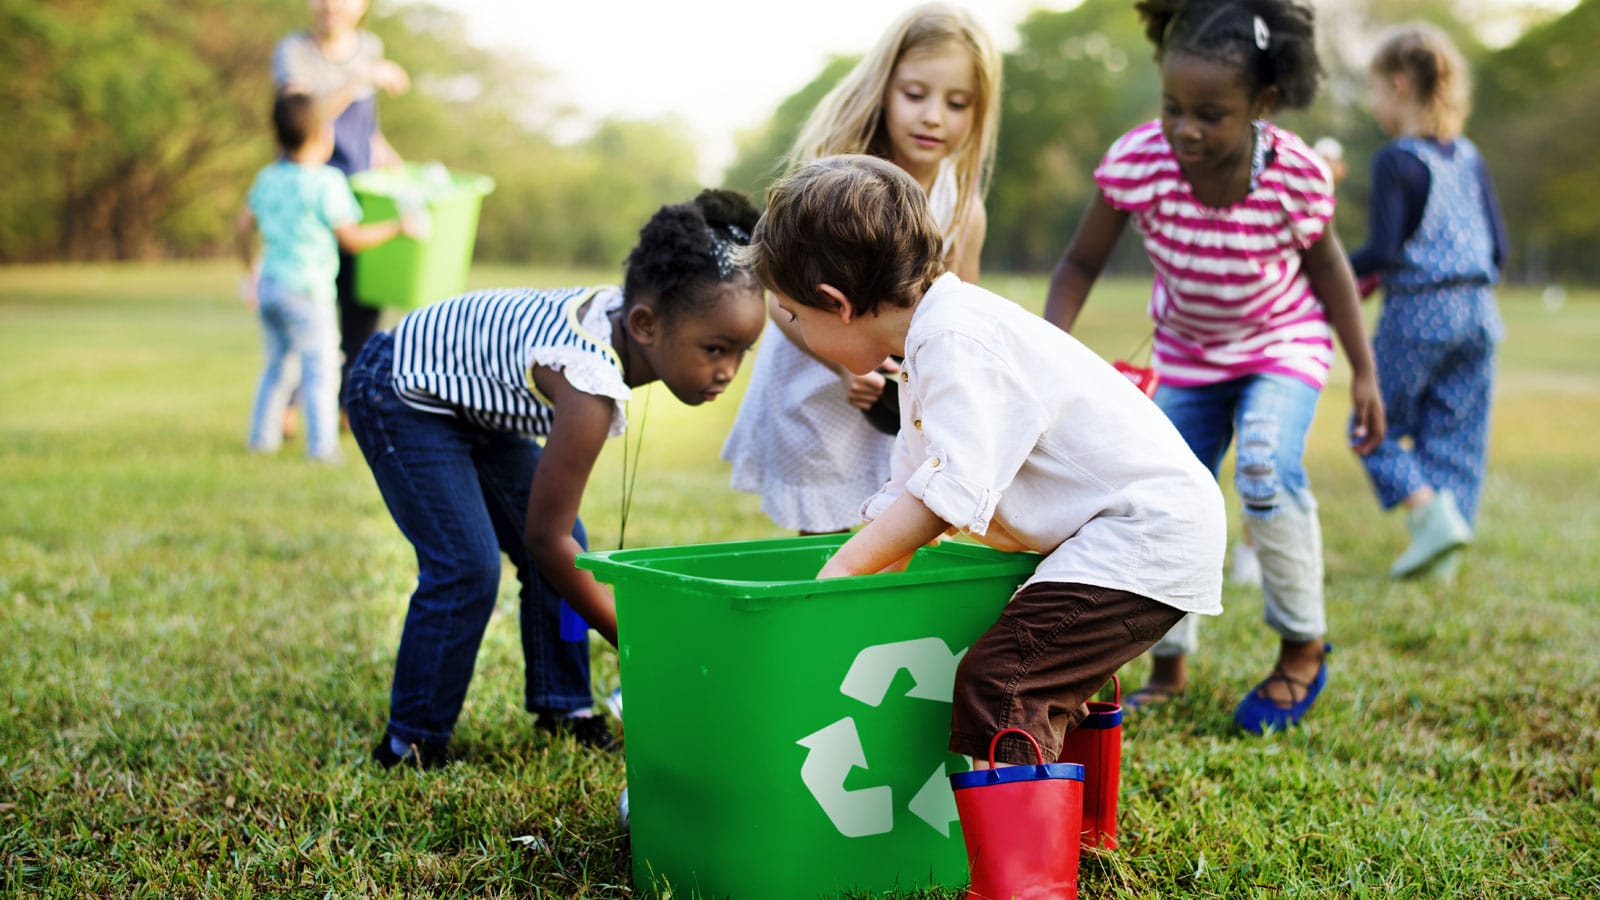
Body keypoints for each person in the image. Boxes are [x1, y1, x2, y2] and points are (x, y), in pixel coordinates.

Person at [745, 152, 1224, 777]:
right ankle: (1074, 832)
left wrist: (840, 571)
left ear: (835, 302)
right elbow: (908, 496)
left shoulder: (955, 341)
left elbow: (946, 497)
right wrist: (851, 596)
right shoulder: (931, 343)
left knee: (1004, 683)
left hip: (1143, 531)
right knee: (1036, 681)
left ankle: (1024, 875)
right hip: (1122, 533)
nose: (796, 331)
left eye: (792, 315)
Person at [1042, 0, 1386, 734]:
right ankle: (1169, 666)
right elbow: (1078, 264)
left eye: (1211, 113)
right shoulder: (1140, 162)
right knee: (1162, 498)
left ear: (1262, 104)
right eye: (1172, 107)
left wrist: (1363, 372)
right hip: (1189, 356)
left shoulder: (1292, 174)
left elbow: (1329, 274)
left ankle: (1301, 648)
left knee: (1263, 468)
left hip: (1281, 343)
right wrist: (1047, 357)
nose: (1186, 129)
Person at [347, 190, 767, 769]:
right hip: (400, 390)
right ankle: (411, 741)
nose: (727, 371)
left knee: (576, 547)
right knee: (467, 566)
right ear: (644, 324)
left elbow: (557, 540)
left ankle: (564, 706)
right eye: (715, 349)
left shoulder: (631, 317)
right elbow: (545, 541)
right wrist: (633, 636)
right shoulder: (588, 383)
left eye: (743, 351)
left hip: (473, 408)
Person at [721, 2, 1001, 534]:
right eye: (915, 94)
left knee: (898, 528)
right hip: (817, 384)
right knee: (826, 538)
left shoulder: (962, 207)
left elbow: (960, 320)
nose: (933, 116)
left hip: (898, 400)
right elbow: (781, 296)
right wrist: (846, 366)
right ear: (883, 88)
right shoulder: (833, 183)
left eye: (958, 102)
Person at [1349, 23, 1506, 581]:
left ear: (1396, 85)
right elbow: (1501, 247)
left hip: (1420, 312)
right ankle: (1442, 557)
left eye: (1372, 91)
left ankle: (1428, 519)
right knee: (1456, 437)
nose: (1373, 104)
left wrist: (1325, 267)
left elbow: (1383, 250)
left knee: (1373, 427)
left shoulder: (1397, 160)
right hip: (1481, 313)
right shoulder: (1469, 156)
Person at [236, 92, 419, 462]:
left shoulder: (268, 178)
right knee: (320, 368)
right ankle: (322, 448)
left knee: (277, 366)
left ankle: (262, 440)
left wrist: (250, 269)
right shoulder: (326, 182)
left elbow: (243, 225)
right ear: (325, 136)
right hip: (308, 290)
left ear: (276, 139)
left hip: (271, 285)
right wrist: (398, 227)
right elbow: (351, 238)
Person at [274, 0, 411, 411]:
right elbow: (302, 120)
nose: (330, 5)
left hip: (359, 194)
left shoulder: (369, 45)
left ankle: (352, 406)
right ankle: (290, 405)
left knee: (362, 308)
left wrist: (394, 164)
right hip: (308, 194)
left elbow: (366, 130)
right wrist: (359, 77)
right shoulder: (294, 52)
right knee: (309, 302)